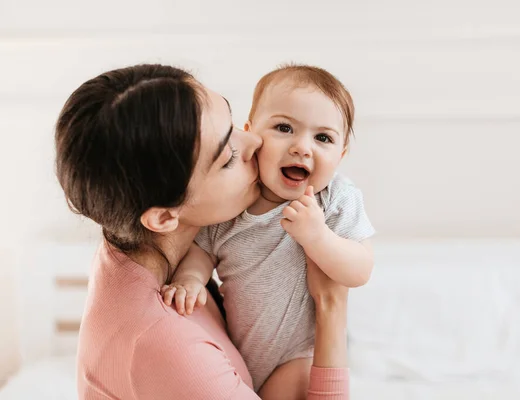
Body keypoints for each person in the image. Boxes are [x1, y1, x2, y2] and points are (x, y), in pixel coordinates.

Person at [55, 64, 351, 399]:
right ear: (165, 217)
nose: (254, 141)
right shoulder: (172, 350)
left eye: (231, 120)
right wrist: (331, 305)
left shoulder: (129, 243)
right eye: (227, 158)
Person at [163, 64, 375, 396]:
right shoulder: (233, 202)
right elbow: (201, 250)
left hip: (298, 356)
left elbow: (360, 268)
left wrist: (319, 238)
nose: (302, 147)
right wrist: (190, 278)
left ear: (341, 154)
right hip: (236, 354)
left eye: (323, 138)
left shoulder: (334, 199)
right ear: (252, 133)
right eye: (284, 127)